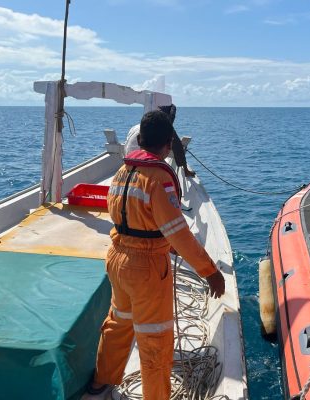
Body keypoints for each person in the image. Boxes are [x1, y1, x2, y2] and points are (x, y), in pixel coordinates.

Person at [84, 110, 225, 399]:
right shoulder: (157, 178)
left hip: (117, 260)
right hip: (146, 270)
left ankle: (101, 381)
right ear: (168, 143)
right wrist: (210, 271)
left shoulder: (123, 172)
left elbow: (135, 219)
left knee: (118, 323)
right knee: (155, 341)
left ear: (140, 138)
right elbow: (179, 233)